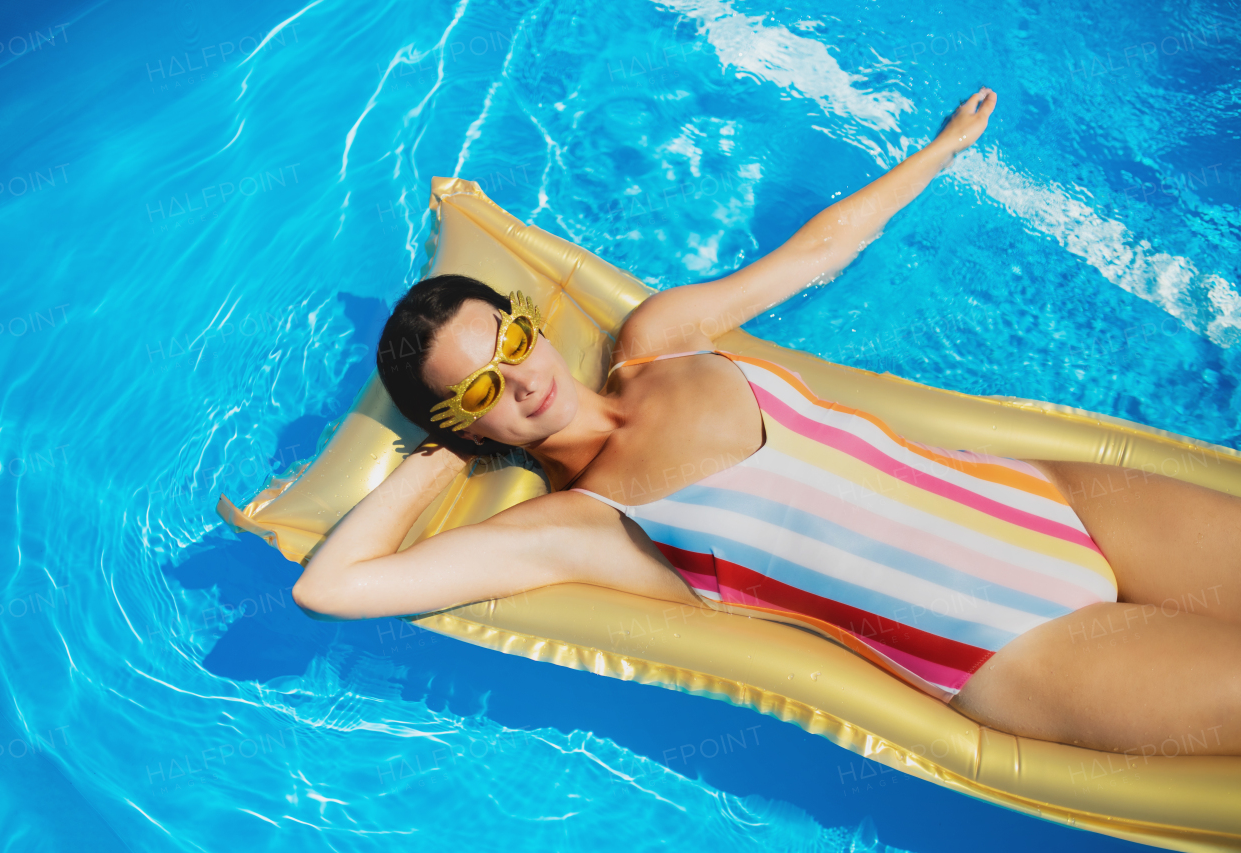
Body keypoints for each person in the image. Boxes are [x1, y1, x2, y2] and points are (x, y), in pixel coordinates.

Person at [292, 87, 1241, 757]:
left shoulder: (656, 338)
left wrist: (940, 152)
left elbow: (815, 253)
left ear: (532, 322)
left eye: (509, 341)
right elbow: (332, 588)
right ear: (470, 426)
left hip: (1055, 498)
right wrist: (436, 456)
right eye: (478, 391)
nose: (518, 379)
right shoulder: (576, 527)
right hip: (1015, 644)